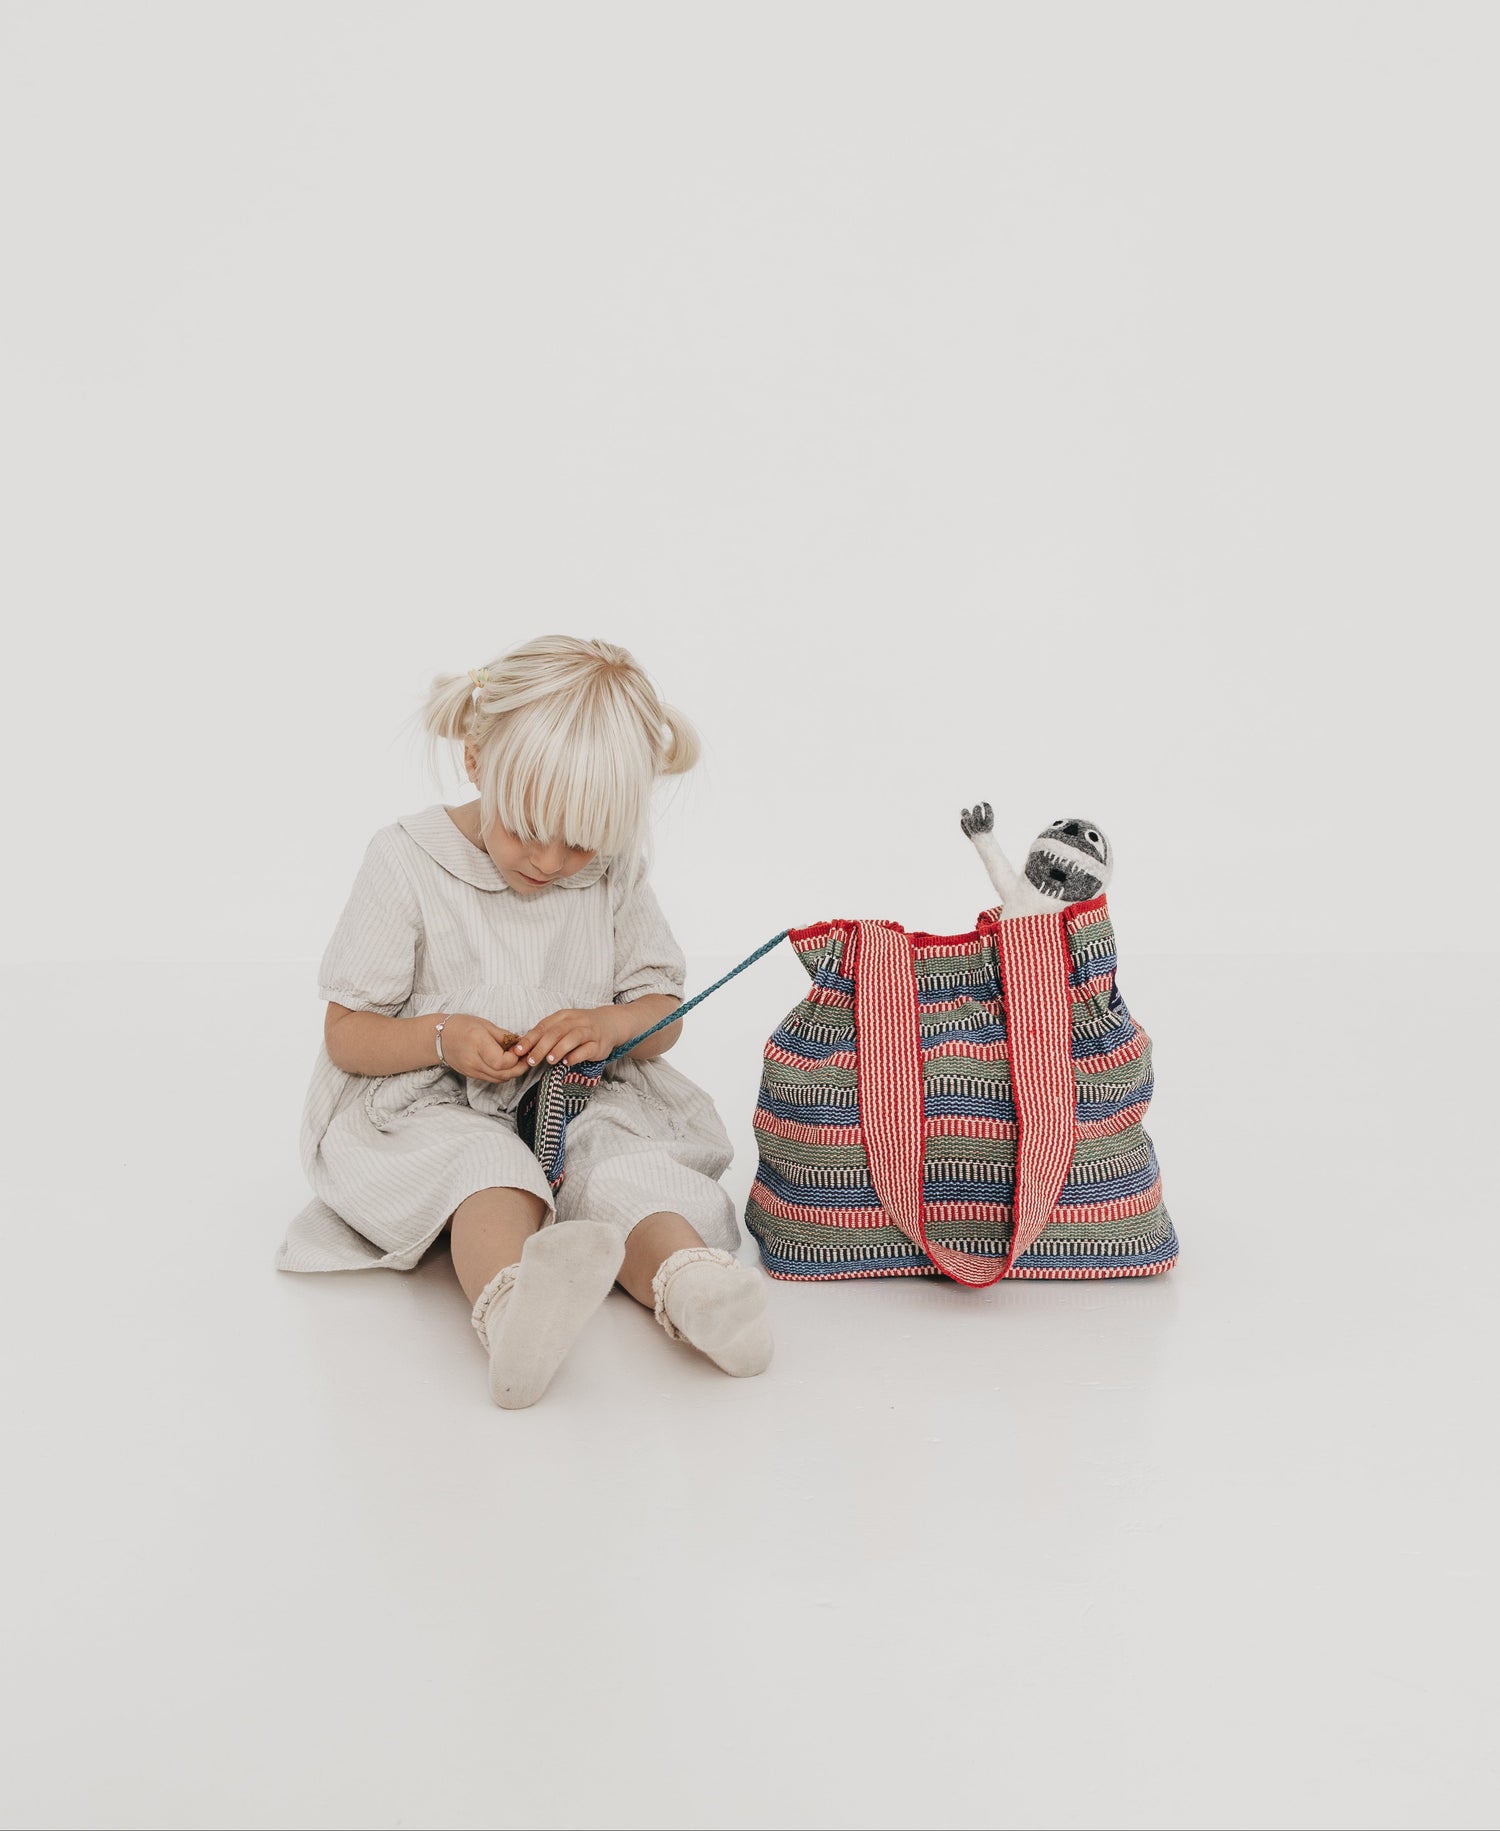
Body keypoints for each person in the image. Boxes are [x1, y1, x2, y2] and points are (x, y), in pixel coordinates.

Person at [276, 634, 772, 1408]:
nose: (549, 860)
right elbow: (348, 1032)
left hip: (581, 1099)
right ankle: (516, 1310)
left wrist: (612, 1025)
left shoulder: (612, 870)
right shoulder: (405, 861)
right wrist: (443, 1035)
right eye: (528, 829)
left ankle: (695, 1288)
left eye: (581, 842)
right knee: (487, 1170)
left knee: (622, 1169)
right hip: (431, 1104)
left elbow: (660, 1009)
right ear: (476, 760)